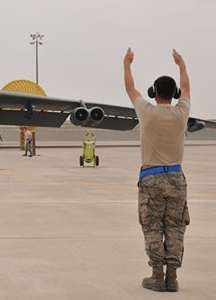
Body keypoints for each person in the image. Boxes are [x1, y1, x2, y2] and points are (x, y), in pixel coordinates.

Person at [123, 48, 191, 292]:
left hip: (151, 178)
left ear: (154, 93)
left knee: (152, 226)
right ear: (173, 94)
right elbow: (186, 88)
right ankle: (172, 277)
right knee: (175, 226)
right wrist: (181, 64)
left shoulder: (147, 113)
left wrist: (127, 64)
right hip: (176, 178)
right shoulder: (181, 112)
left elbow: (131, 89)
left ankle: (156, 276)